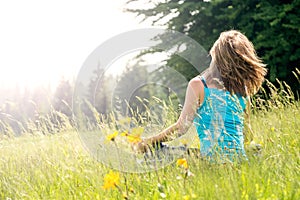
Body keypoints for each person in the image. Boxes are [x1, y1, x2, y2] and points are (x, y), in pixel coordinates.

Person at [136, 30, 267, 161]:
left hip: (212, 162)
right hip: (239, 161)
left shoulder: (198, 85)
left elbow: (181, 128)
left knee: (156, 150)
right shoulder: (243, 90)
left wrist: (148, 142)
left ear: (216, 56)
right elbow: (247, 136)